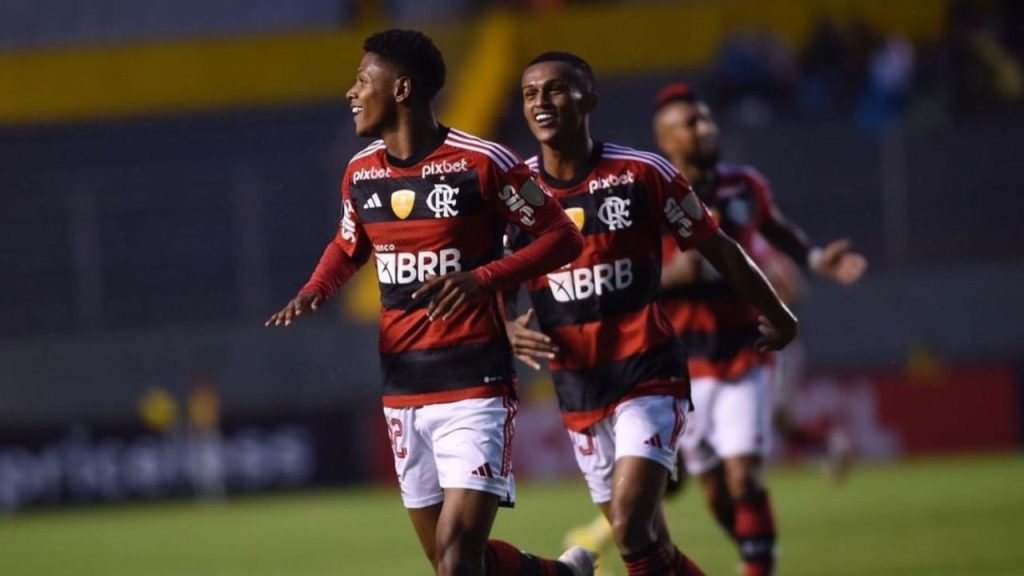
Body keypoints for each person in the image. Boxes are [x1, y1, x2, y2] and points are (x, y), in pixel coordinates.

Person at [266, 29, 594, 576]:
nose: (351, 92)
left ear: (401, 89)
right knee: (454, 560)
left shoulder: (483, 162)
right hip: (402, 391)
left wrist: (482, 278)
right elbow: (349, 246)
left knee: (457, 559)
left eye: (362, 80)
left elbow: (563, 237)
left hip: (474, 386)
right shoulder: (361, 172)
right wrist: (313, 291)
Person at [504, 52, 798, 576]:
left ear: (588, 100)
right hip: (578, 390)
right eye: (530, 93)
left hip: (648, 375)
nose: (541, 102)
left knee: (631, 526)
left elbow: (720, 247)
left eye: (555, 89)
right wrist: (505, 325)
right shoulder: (514, 191)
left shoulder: (641, 173)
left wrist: (778, 313)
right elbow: (495, 274)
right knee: (646, 545)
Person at [653, 83, 867, 576]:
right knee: (716, 493)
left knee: (745, 477)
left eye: (707, 119)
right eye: (691, 123)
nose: (705, 129)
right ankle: (757, 549)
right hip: (683, 363)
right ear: (665, 139)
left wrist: (815, 258)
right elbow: (632, 272)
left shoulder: (743, 185)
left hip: (747, 349)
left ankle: (759, 566)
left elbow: (773, 227)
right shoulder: (652, 192)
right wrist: (673, 277)